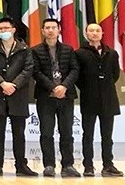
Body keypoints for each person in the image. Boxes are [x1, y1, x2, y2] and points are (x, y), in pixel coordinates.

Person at [0, 16, 38, 177]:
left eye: (6, 28)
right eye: (1, 29)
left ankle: (21, 165)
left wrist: (14, 85)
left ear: (13, 30)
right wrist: (2, 83)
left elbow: (28, 69)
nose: (3, 31)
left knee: (19, 133)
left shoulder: (25, 49)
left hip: (18, 96)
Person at [31, 18, 80, 177]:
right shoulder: (35, 50)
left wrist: (64, 86)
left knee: (66, 132)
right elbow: (36, 72)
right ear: (43, 31)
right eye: (47, 28)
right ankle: (49, 165)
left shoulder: (68, 49)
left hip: (66, 96)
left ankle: (68, 165)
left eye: (53, 27)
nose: (50, 30)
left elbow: (75, 69)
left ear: (59, 30)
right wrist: (53, 87)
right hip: (45, 97)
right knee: (46, 133)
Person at [75, 23, 124, 177]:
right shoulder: (79, 53)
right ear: (86, 33)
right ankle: (88, 166)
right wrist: (89, 87)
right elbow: (78, 77)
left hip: (108, 99)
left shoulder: (112, 53)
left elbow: (115, 75)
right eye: (91, 31)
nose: (94, 33)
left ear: (102, 33)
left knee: (107, 135)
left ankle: (108, 165)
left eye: (97, 30)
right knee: (88, 134)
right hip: (89, 98)